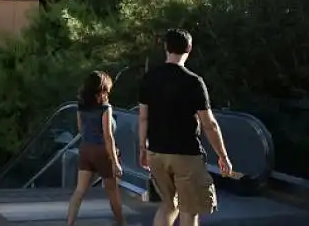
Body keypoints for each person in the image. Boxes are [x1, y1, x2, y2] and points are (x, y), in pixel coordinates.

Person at [138, 29, 234, 226]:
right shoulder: (193, 81)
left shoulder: (150, 78)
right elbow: (209, 124)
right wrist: (222, 155)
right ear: (189, 48)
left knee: (168, 204)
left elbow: (143, 119)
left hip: (156, 152)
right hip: (186, 155)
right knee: (189, 211)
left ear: (166, 47)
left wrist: (143, 148)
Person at [66, 71, 125, 226]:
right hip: (102, 151)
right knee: (112, 192)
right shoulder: (105, 108)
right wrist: (115, 161)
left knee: (79, 191)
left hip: (85, 149)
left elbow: (80, 129)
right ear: (103, 88)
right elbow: (108, 136)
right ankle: (122, 223)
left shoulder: (81, 105)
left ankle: (69, 223)